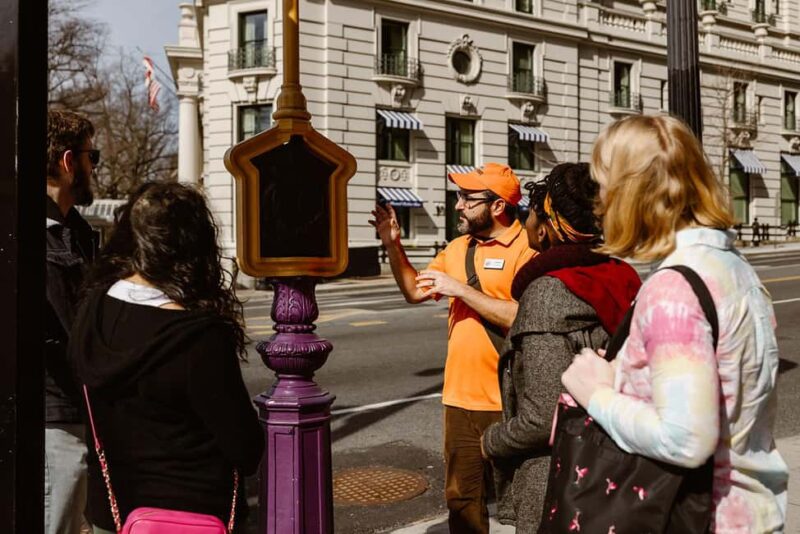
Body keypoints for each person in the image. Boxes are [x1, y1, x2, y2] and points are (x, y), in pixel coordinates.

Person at [562, 115, 788, 533]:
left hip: (698, 517)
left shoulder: (673, 290)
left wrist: (595, 393)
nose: (600, 201)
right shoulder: (734, 267)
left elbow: (685, 440)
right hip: (750, 512)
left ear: (630, 194)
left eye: (604, 185)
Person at [69, 183, 265, 533]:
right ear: (195, 246)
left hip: (115, 514)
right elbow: (245, 449)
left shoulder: (93, 310)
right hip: (195, 514)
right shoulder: (198, 336)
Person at [370, 163, 534, 534]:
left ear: (496, 207)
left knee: (521, 499)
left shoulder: (527, 248)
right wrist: (392, 244)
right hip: (459, 398)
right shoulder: (458, 248)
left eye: (467, 197)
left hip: (508, 400)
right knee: (462, 500)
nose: (458, 204)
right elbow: (415, 290)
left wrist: (460, 289)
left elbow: (524, 316)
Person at [479, 163, 640, 533]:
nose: (526, 221)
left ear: (550, 222)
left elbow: (541, 420)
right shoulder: (622, 274)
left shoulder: (549, 293)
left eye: (531, 211)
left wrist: (490, 443)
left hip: (559, 484)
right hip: (616, 470)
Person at [45, 109, 98, 534]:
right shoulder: (35, 233)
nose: (93, 168)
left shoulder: (75, 231)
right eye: (90, 157)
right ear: (67, 162)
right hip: (52, 417)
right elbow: (77, 330)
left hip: (77, 411)